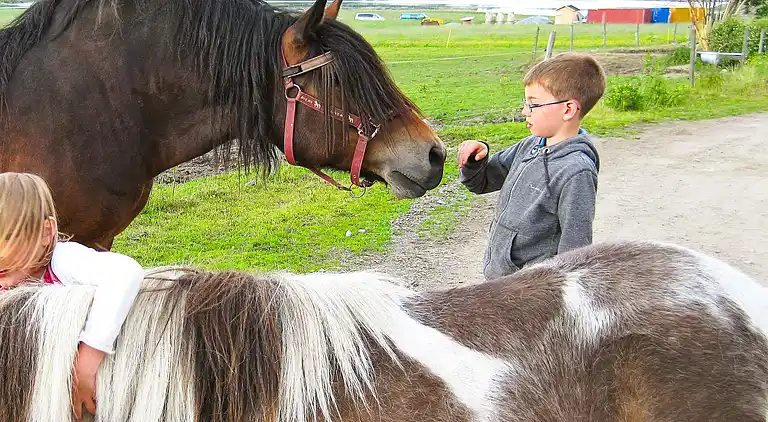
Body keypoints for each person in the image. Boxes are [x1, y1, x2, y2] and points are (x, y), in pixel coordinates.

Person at [0, 172, 144, 420]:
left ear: (46, 233)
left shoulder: (62, 261)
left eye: (9, 237)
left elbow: (125, 273)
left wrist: (89, 355)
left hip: (66, 394)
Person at [458, 52, 606, 280]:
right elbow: (481, 183)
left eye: (533, 105)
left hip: (533, 292)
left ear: (568, 109)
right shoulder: (529, 146)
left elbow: (576, 251)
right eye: (525, 103)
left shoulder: (576, 171)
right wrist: (475, 160)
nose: (524, 112)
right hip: (501, 280)